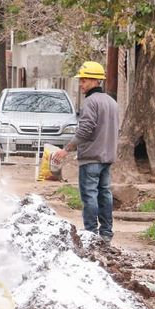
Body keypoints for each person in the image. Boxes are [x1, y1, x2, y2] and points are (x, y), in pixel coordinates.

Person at [55, 61, 118, 242]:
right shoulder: (111, 102)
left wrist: (66, 149)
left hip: (91, 158)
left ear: (95, 80)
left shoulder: (90, 102)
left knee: (90, 195)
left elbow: (85, 130)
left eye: (83, 80)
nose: (81, 84)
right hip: (107, 157)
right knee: (105, 194)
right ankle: (106, 233)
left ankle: (90, 233)